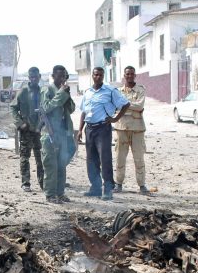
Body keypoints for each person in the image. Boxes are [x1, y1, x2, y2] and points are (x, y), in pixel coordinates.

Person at [78, 67, 130, 200]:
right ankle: (95, 188)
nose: (98, 77)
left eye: (101, 75)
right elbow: (83, 111)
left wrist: (115, 119)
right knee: (91, 159)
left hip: (103, 129)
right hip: (89, 129)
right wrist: (79, 130)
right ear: (92, 76)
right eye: (96, 75)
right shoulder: (87, 92)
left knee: (104, 159)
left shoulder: (110, 91)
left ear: (103, 76)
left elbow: (125, 104)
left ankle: (108, 189)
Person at [40, 65, 76, 203]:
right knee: (51, 164)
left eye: (64, 76)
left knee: (61, 164)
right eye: (59, 76)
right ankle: (50, 194)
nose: (62, 79)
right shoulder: (47, 90)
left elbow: (71, 109)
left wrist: (67, 95)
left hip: (63, 132)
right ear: (53, 76)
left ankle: (60, 193)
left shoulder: (64, 90)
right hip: (50, 133)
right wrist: (61, 93)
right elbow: (46, 108)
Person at [114, 66, 149, 194]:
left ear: (135, 75)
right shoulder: (118, 91)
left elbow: (140, 106)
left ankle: (142, 185)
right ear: (124, 75)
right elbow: (116, 106)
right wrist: (129, 106)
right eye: (127, 74)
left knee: (139, 157)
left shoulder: (140, 90)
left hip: (137, 128)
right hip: (121, 127)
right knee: (120, 157)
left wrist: (125, 105)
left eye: (132, 74)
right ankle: (118, 183)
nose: (129, 76)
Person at [10, 67, 44, 191]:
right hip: (27, 130)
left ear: (39, 77)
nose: (34, 79)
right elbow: (13, 107)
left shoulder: (43, 92)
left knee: (41, 158)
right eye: (31, 77)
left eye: (36, 77)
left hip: (40, 130)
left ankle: (43, 183)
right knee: (25, 157)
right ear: (29, 78)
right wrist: (20, 123)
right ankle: (26, 183)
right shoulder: (23, 92)